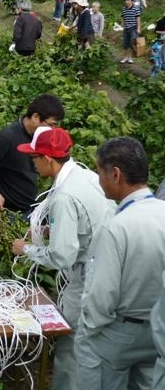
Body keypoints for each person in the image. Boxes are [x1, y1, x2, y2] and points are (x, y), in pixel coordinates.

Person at [11, 127, 116, 390]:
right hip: (110, 268)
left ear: (47, 159)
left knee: (71, 345)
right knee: (96, 344)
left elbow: (61, 255)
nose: (32, 163)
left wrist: (24, 249)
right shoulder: (86, 176)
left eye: (34, 158)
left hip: (86, 278)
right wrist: (52, 230)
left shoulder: (64, 197)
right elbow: (89, 221)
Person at [76, 137, 165, 389]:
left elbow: (101, 295)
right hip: (158, 332)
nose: (98, 180)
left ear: (115, 175)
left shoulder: (117, 227)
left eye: (99, 172)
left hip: (120, 332)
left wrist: (90, 330)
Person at [0, 94, 65, 216]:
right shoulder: (7, 138)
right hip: (9, 213)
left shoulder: (37, 137)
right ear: (35, 117)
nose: (52, 129)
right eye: (51, 124)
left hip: (30, 209)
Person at [120, 0, 141, 64]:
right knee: (125, 44)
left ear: (132, 1)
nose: (126, 1)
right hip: (126, 28)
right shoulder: (124, 9)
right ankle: (125, 57)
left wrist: (139, 28)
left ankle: (130, 57)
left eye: (128, 0)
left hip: (133, 28)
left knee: (132, 43)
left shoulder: (136, 9)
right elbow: (122, 18)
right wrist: (122, 26)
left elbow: (138, 19)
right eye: (126, 0)